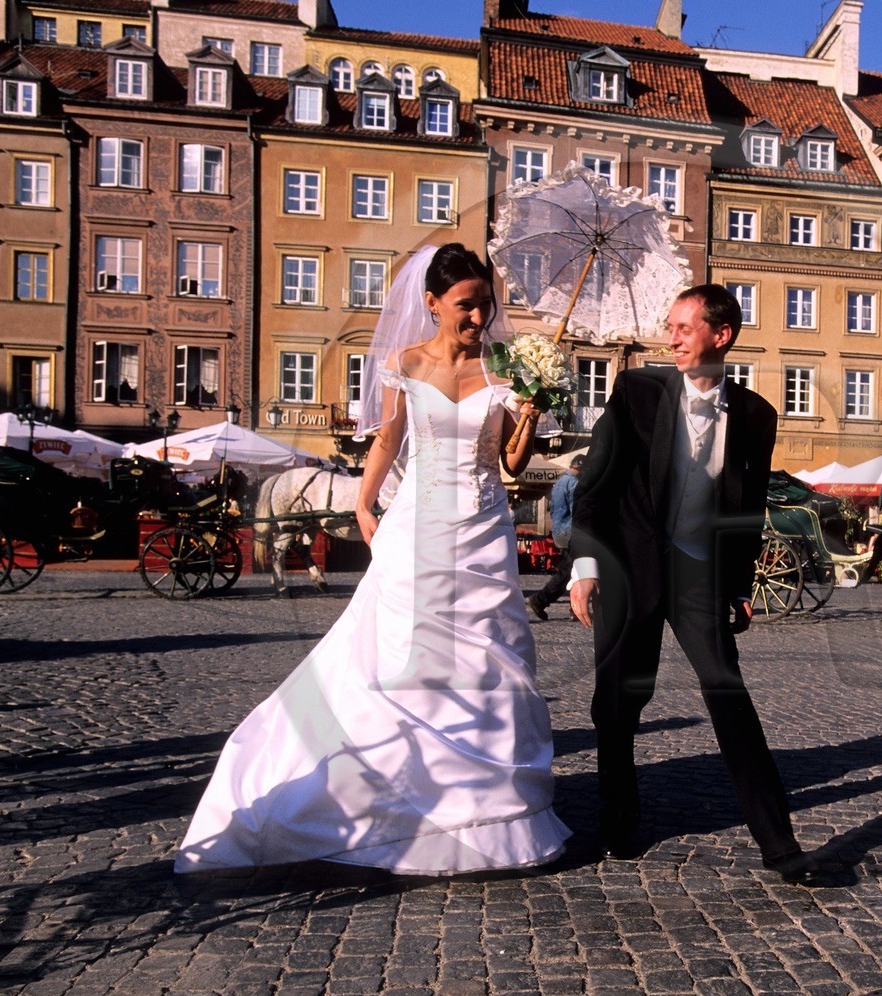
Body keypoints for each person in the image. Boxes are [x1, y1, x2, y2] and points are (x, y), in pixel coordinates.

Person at [175, 244, 570, 875]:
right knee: (398, 655)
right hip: (418, 525)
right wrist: (364, 501)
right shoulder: (405, 362)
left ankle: (487, 806)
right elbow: (390, 438)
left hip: (483, 528)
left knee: (490, 658)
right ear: (433, 303)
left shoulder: (504, 366)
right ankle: (395, 792)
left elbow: (511, 461)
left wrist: (531, 411)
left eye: (485, 305)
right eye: (466, 305)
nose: (478, 317)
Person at [568, 284, 824, 884]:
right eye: (671, 327)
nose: (672, 338)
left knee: (727, 691)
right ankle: (619, 818)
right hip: (629, 566)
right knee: (619, 700)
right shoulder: (636, 391)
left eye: (684, 328)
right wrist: (585, 566)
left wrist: (738, 586)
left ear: (721, 335)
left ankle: (779, 843)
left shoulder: (756, 415)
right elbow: (597, 483)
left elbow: (746, 511)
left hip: (697, 573)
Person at [526, 455, 583, 621]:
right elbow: (577, 510)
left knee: (573, 569)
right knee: (568, 571)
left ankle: (574, 607)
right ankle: (540, 600)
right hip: (571, 531)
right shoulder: (574, 484)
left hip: (559, 531)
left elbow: (553, 509)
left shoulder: (559, 483)